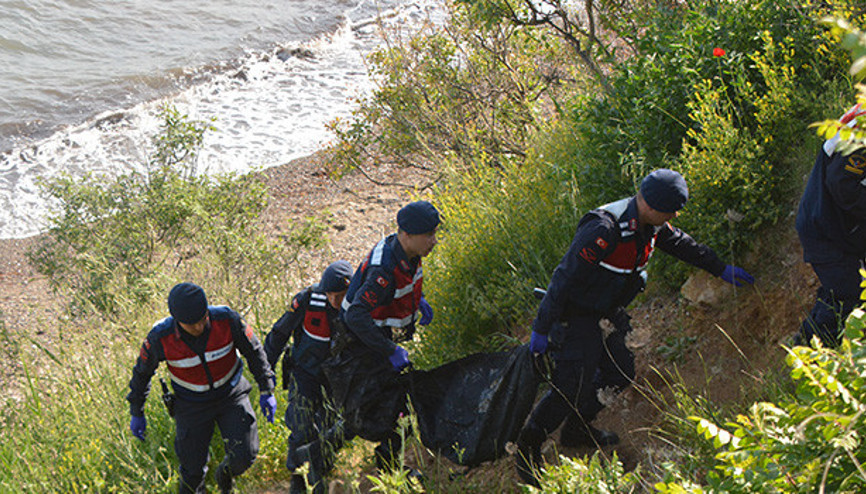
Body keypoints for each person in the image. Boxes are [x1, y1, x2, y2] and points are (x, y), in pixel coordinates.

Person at [515, 169, 754, 486]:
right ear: (653, 206)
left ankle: (577, 428)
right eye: (671, 210)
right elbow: (564, 278)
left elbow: (682, 244)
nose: (675, 216)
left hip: (607, 312)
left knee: (621, 372)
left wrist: (719, 267)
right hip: (574, 315)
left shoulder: (650, 225)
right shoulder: (604, 228)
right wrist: (541, 327)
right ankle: (527, 449)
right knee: (570, 385)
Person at [126, 282, 277, 494]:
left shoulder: (227, 320)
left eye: (202, 320)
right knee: (192, 473)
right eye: (191, 324)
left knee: (244, 456)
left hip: (231, 395)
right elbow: (142, 374)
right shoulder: (161, 337)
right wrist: (137, 411)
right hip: (190, 405)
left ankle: (224, 477)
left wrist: (266, 388)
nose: (198, 327)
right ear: (177, 321)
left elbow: (255, 352)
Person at [330, 200, 438, 474]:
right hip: (359, 346)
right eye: (429, 235)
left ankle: (391, 469)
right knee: (365, 417)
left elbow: (399, 288)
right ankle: (315, 455)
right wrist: (389, 349)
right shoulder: (384, 268)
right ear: (407, 235)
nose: (434, 241)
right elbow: (356, 316)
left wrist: (419, 301)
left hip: (377, 342)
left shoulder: (409, 253)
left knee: (398, 407)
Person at [263, 260, 353, 494]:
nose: (335, 301)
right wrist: (265, 374)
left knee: (329, 428)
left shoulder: (358, 305)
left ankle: (320, 472)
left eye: (341, 295)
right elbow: (278, 334)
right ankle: (297, 478)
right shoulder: (307, 300)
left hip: (337, 380)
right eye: (331, 295)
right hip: (305, 374)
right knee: (300, 425)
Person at [796, 103, 866, 347]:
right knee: (847, 293)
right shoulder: (862, 130)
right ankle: (813, 357)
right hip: (825, 227)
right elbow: (843, 184)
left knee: (839, 291)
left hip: (839, 225)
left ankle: (806, 346)